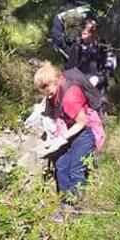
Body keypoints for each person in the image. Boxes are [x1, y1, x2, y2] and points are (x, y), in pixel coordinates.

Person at [33, 62, 106, 208]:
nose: (48, 97)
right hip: (68, 128)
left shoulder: (69, 96)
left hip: (84, 131)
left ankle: (76, 208)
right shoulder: (55, 88)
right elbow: (51, 110)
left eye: (50, 94)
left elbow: (82, 122)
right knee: (61, 164)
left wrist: (61, 139)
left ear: (55, 81)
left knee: (76, 168)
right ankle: (65, 203)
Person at [51, 6, 116, 99]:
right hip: (80, 88)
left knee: (100, 107)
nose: (82, 36)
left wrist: (98, 78)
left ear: (93, 34)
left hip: (99, 88)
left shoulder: (103, 47)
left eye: (85, 34)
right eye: (81, 33)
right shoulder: (76, 47)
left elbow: (110, 66)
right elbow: (70, 69)